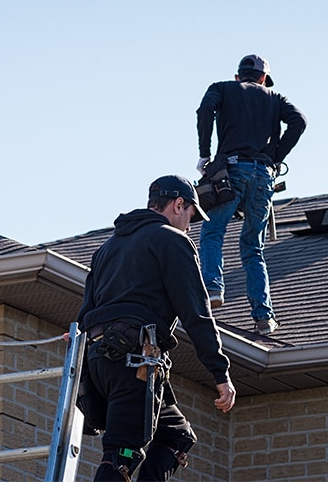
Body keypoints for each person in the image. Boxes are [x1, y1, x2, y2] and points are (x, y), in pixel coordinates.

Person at [76, 174, 236, 481]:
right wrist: (220, 374)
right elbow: (197, 314)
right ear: (179, 204)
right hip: (134, 363)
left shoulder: (106, 249)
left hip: (100, 363)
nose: (190, 225)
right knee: (121, 455)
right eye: (191, 214)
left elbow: (85, 315)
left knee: (177, 436)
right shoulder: (173, 241)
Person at [196, 54, 307, 335]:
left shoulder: (222, 88)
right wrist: (275, 156)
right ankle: (263, 317)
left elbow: (204, 111)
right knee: (252, 247)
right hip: (263, 176)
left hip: (232, 171)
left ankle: (212, 289)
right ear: (262, 78)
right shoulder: (275, 98)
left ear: (238, 76)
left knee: (212, 232)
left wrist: (205, 154)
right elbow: (299, 122)